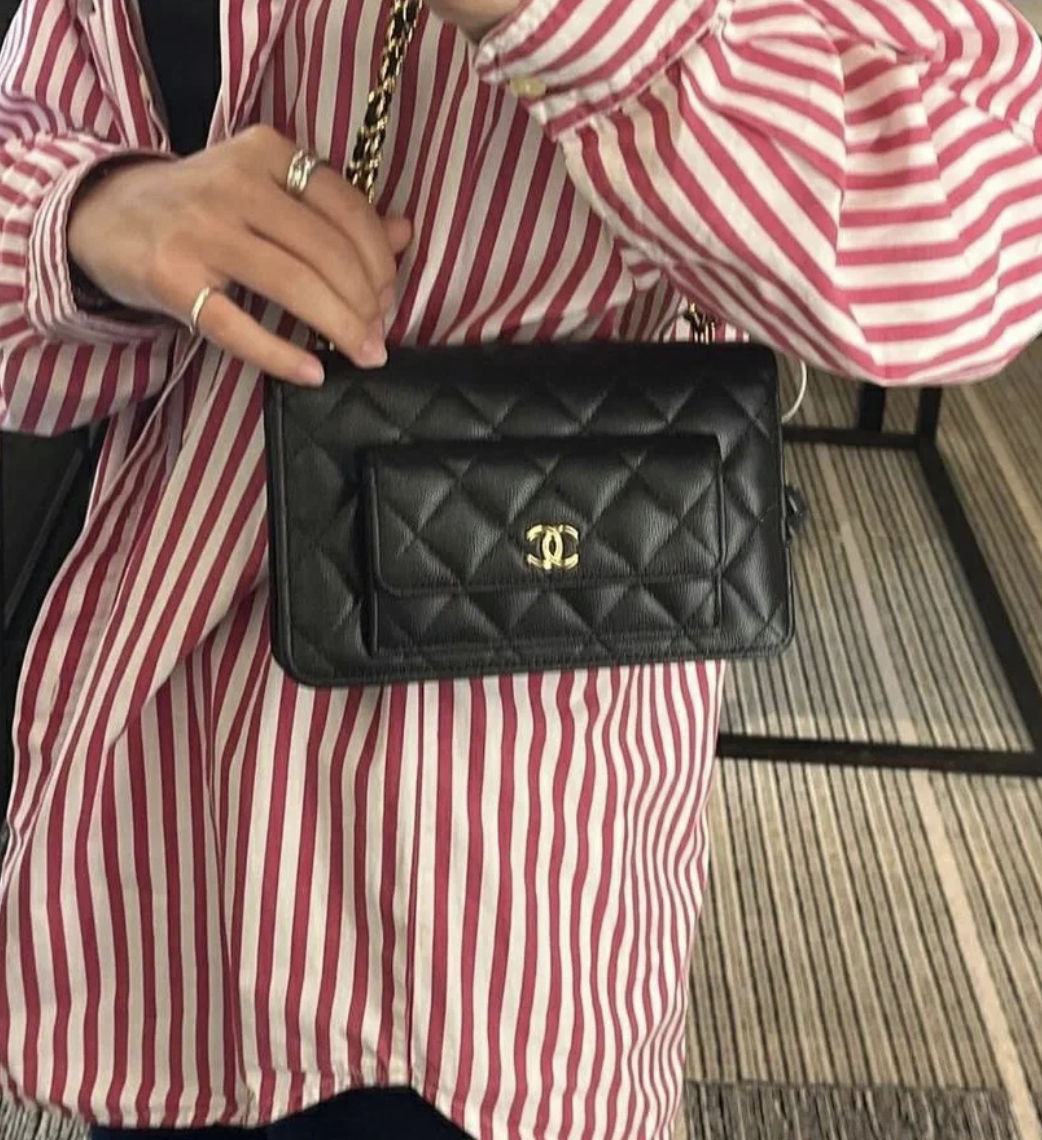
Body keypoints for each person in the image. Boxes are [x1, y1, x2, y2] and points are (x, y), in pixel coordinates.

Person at [0, 0, 1040, 1138]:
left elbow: (974, 237)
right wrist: (92, 214)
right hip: (160, 835)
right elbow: (30, 137)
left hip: (505, 897)